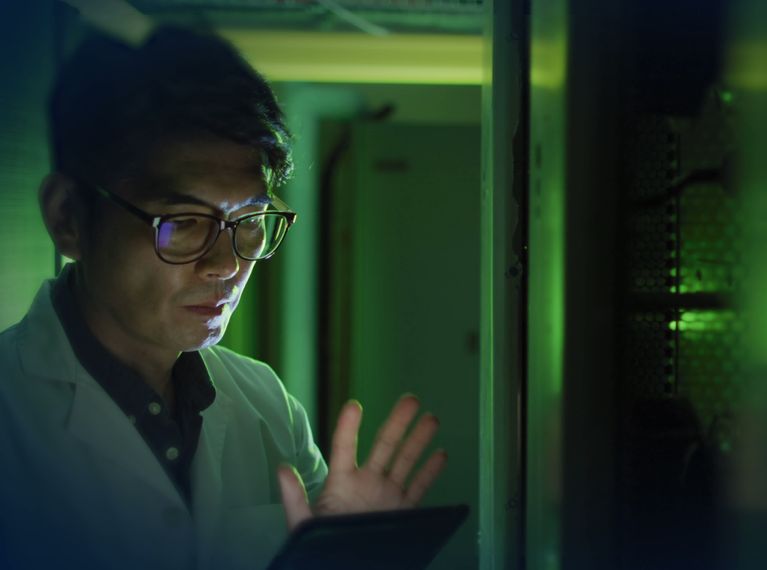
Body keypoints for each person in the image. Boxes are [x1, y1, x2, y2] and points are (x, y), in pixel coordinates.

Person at [0, 23, 447, 570]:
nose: (226, 265)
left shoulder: (264, 400)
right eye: (184, 222)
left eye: (250, 220)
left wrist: (353, 558)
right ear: (68, 217)